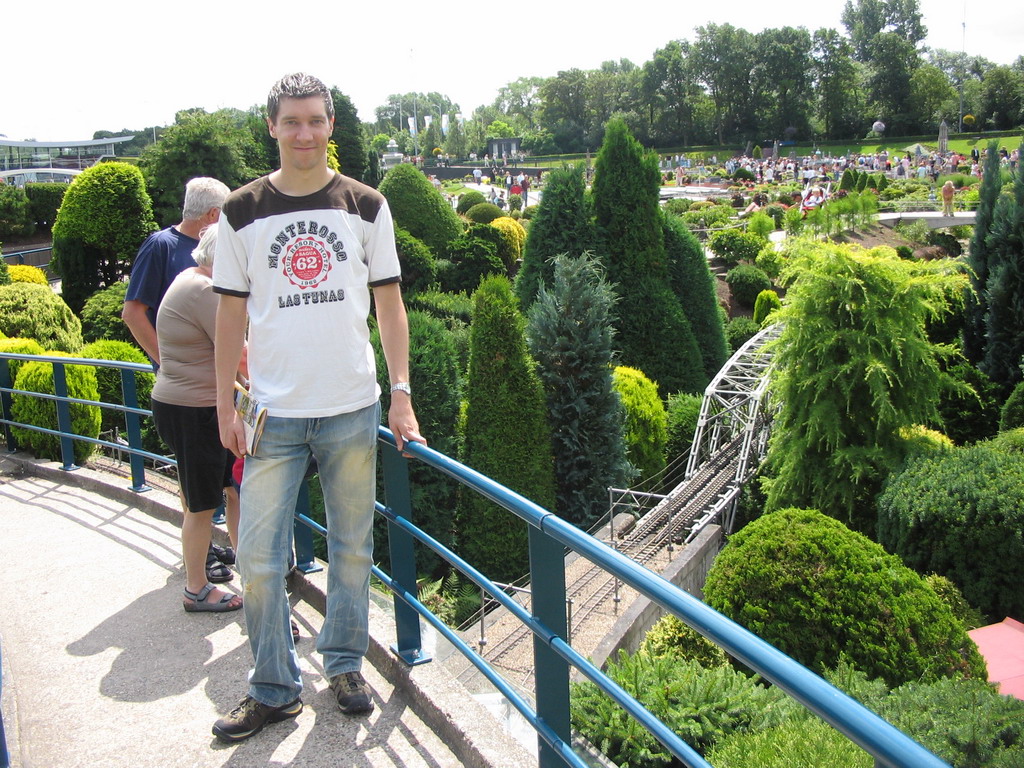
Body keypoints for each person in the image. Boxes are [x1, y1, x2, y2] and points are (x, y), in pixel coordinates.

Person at [210, 72, 424, 743]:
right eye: (291, 121)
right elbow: (228, 317)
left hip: (352, 408)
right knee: (258, 559)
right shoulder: (241, 211)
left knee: (354, 548)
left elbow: (390, 305)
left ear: (330, 125)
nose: (304, 134)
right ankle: (274, 686)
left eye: (315, 120)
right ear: (272, 127)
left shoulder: (366, 205)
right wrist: (225, 407)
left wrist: (401, 394)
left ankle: (344, 666)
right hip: (273, 412)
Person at [123, 176, 234, 583]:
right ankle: (198, 575)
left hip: (196, 389)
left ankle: (203, 552)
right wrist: (166, 360)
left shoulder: (198, 265)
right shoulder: (164, 248)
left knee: (213, 487)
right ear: (213, 217)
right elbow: (133, 311)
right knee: (200, 494)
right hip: (188, 393)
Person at [150, 223, 242, 613]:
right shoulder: (205, 291)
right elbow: (239, 352)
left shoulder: (189, 278)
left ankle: (246, 564)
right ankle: (196, 589)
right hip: (195, 411)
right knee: (203, 505)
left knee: (232, 491)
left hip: (190, 407)